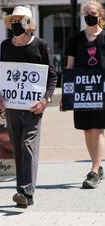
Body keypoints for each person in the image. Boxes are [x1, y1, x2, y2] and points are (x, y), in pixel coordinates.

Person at [0, 6, 57, 208]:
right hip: (11, 106)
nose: (16, 24)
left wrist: (46, 100)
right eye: (13, 20)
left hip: (33, 107)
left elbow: (52, 75)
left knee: (28, 145)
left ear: (28, 24)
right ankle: (23, 192)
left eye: (20, 20)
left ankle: (25, 191)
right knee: (17, 147)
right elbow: (1, 72)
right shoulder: (5, 45)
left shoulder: (40, 45)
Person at [61, 0, 105, 189]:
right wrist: (66, 95)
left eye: (93, 12)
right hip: (81, 92)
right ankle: (98, 165)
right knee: (87, 130)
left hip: (101, 91)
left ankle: (94, 170)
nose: (89, 15)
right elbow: (69, 68)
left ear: (100, 15)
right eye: (86, 12)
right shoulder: (75, 40)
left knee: (98, 129)